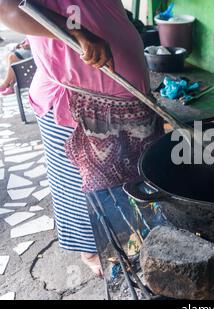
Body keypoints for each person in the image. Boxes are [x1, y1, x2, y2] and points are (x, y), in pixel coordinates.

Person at [0, 0, 165, 277]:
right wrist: (76, 31)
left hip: (128, 96)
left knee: (132, 184)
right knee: (82, 192)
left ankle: (130, 241)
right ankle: (94, 251)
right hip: (78, 104)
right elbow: (7, 8)